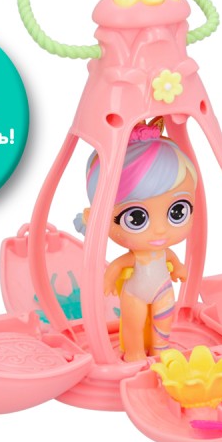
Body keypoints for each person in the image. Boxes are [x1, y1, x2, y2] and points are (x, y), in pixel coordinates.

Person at [78, 119, 197, 361]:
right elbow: (117, 266)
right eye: (136, 218)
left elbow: (171, 258)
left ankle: (161, 349)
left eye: (177, 212)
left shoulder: (163, 252)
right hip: (135, 294)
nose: (160, 230)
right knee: (134, 323)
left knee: (165, 318)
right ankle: (134, 352)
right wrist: (108, 280)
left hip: (163, 288)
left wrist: (179, 267)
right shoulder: (133, 257)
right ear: (99, 217)